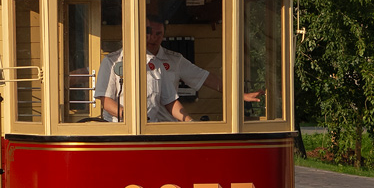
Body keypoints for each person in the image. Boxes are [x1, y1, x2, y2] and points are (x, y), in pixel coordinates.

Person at [95, 17, 259, 122]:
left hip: (163, 131)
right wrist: (129, 117)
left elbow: (173, 99)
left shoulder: (163, 62)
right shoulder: (112, 61)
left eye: (158, 33)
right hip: (123, 133)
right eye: (148, 33)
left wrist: (189, 122)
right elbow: (106, 102)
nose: (153, 37)